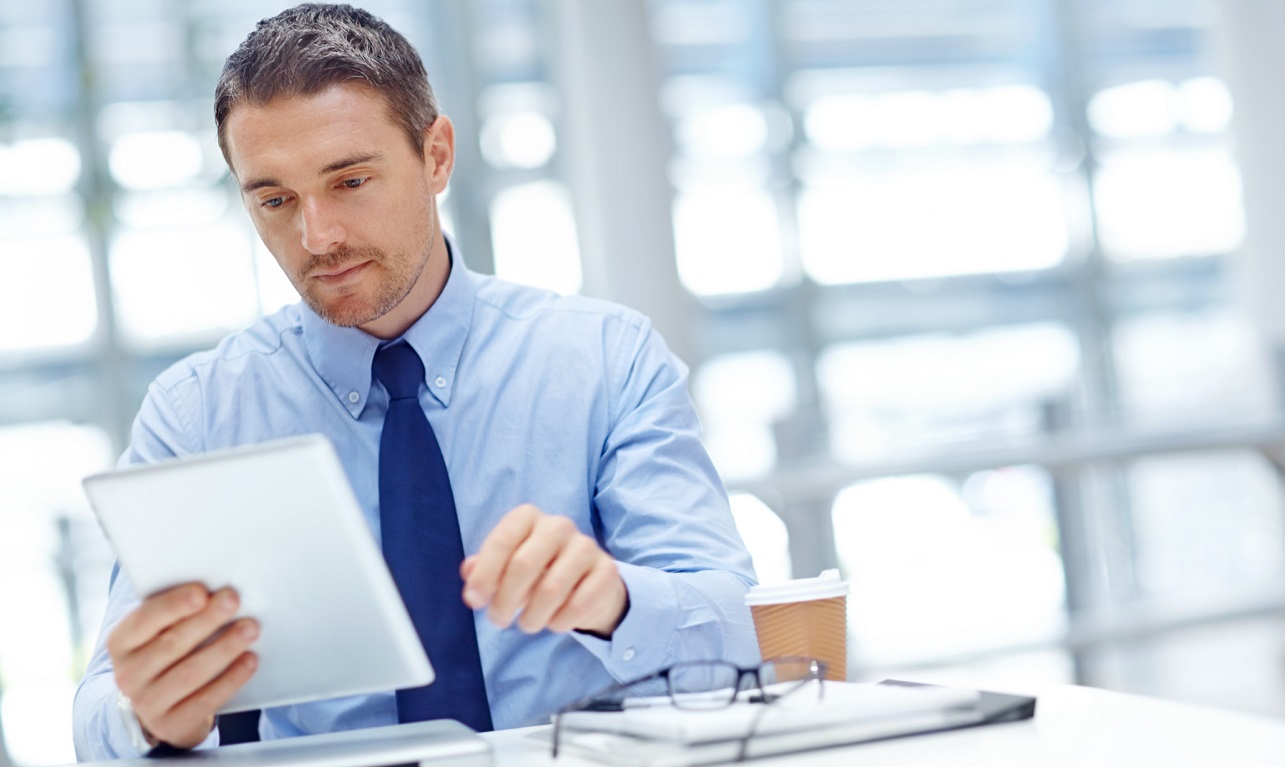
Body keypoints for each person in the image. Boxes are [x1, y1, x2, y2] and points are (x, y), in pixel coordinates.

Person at [72, 3, 759, 761]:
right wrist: (148, 711)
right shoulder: (198, 412)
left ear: (435, 156)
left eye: (351, 180)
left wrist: (612, 599)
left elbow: (733, 626)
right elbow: (100, 708)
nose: (317, 237)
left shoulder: (603, 358)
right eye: (274, 200)